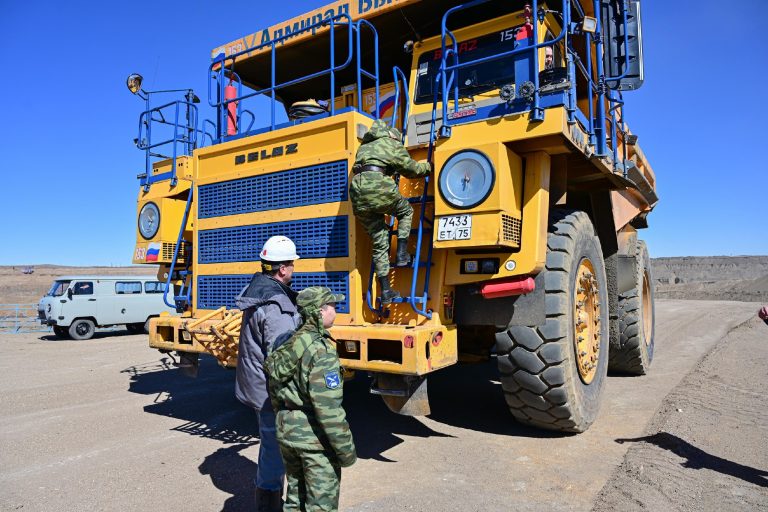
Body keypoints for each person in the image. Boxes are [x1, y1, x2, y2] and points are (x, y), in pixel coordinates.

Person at [265, 286, 357, 512]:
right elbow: (329, 410)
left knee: (295, 499)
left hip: (287, 433)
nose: (336, 310)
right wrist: (346, 451)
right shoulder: (321, 350)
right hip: (314, 441)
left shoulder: (287, 342)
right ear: (319, 312)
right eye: (332, 306)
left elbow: (274, 391)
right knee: (320, 505)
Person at [235, 235, 302, 512]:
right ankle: (269, 503)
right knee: (275, 447)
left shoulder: (257, 292)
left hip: (257, 385)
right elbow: (281, 358)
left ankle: (268, 497)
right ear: (283, 269)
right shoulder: (276, 305)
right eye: (292, 264)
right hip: (270, 391)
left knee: (269, 443)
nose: (294, 269)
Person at [349, 119, 431, 304]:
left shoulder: (364, 146)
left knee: (379, 241)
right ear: (393, 135)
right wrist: (429, 167)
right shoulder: (391, 142)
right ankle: (402, 254)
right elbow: (411, 170)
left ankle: (386, 291)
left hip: (357, 193)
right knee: (405, 211)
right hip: (377, 186)